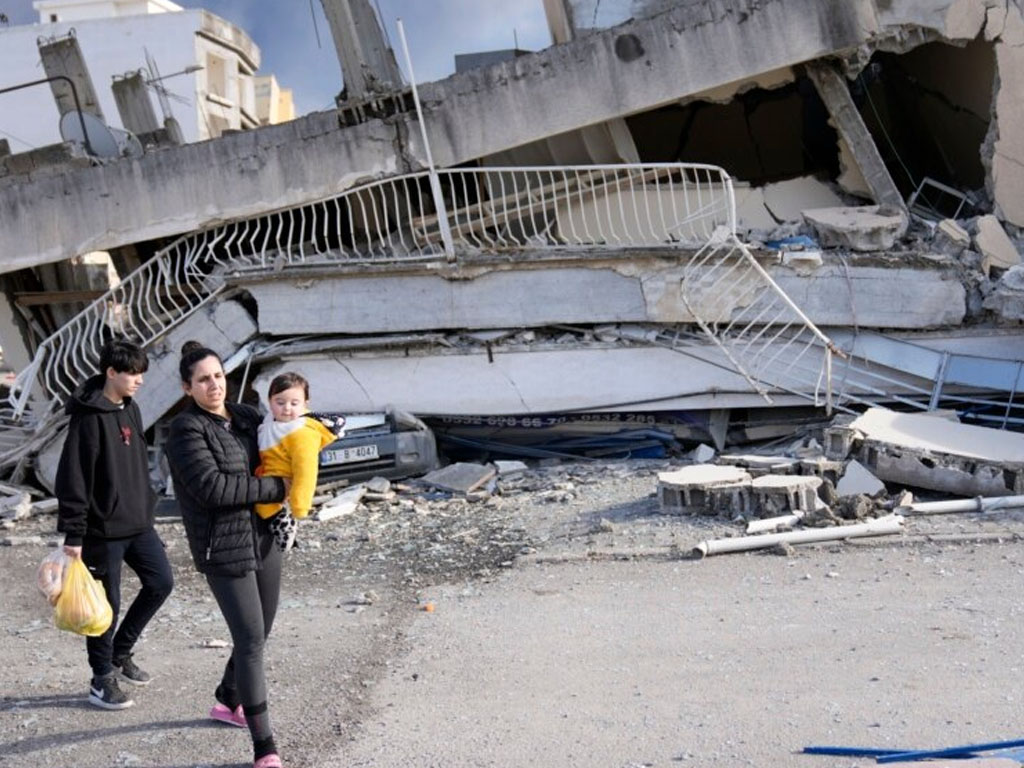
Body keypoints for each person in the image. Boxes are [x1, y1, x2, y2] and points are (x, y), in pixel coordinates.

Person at [164, 341, 288, 768]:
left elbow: (286, 436)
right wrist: (276, 488)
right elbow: (214, 489)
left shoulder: (247, 417)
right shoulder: (185, 430)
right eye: (203, 379)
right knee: (251, 640)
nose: (213, 385)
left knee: (260, 632)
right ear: (187, 387)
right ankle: (264, 747)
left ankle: (227, 698)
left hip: (264, 537)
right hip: (223, 546)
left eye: (217, 376)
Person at [55, 337, 174, 711]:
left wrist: (147, 505)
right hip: (100, 530)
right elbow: (73, 478)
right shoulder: (88, 418)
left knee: (161, 582)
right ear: (111, 373)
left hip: (138, 523)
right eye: (132, 373)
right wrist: (74, 533)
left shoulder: (131, 408)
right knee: (105, 605)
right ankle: (101, 680)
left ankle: (119, 653)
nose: (139, 380)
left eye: (141, 373)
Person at [255, 372, 344, 552]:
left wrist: (300, 505)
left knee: (265, 508)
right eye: (280, 402)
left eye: (294, 403)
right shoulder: (270, 421)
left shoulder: (302, 432)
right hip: (266, 475)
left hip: (283, 482)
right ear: (269, 401)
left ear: (305, 404)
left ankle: (287, 526)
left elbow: (306, 470)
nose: (287, 408)